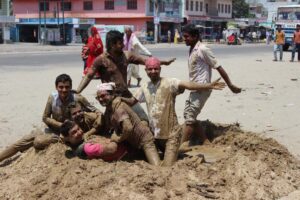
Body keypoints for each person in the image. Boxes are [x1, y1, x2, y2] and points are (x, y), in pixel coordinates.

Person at [120, 57, 226, 166]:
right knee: (150, 159)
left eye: (156, 69)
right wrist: (119, 99)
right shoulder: (145, 86)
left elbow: (188, 85)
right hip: (155, 137)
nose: (153, 71)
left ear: (160, 69)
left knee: (167, 166)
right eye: (150, 69)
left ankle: (190, 158)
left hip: (172, 136)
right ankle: (177, 153)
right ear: (146, 71)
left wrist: (208, 85)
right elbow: (132, 101)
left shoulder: (170, 82)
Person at [76, 30, 175, 121]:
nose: (123, 45)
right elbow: (88, 76)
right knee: (118, 123)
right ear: (112, 45)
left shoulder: (127, 55)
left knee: (143, 119)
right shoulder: (100, 60)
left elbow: (146, 61)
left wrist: (163, 62)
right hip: (111, 98)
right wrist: (78, 91)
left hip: (126, 95)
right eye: (120, 43)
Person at [181, 24, 241, 146]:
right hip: (195, 88)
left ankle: (179, 147)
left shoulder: (203, 49)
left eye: (187, 37)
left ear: (195, 36)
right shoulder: (192, 48)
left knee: (190, 117)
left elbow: (218, 66)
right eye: (184, 36)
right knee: (188, 114)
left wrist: (230, 85)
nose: (184, 39)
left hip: (204, 88)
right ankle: (206, 141)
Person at [96, 82, 161, 166]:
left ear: (112, 94)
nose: (100, 99)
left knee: (156, 165)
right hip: (133, 144)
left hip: (145, 141)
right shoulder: (110, 107)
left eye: (103, 96)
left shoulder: (118, 107)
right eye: (98, 97)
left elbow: (128, 128)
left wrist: (118, 139)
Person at [60, 120, 127, 161]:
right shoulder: (88, 148)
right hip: (125, 153)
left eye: (79, 128)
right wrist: (115, 134)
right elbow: (112, 149)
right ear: (67, 138)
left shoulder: (80, 142)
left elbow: (63, 138)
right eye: (74, 132)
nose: (79, 132)